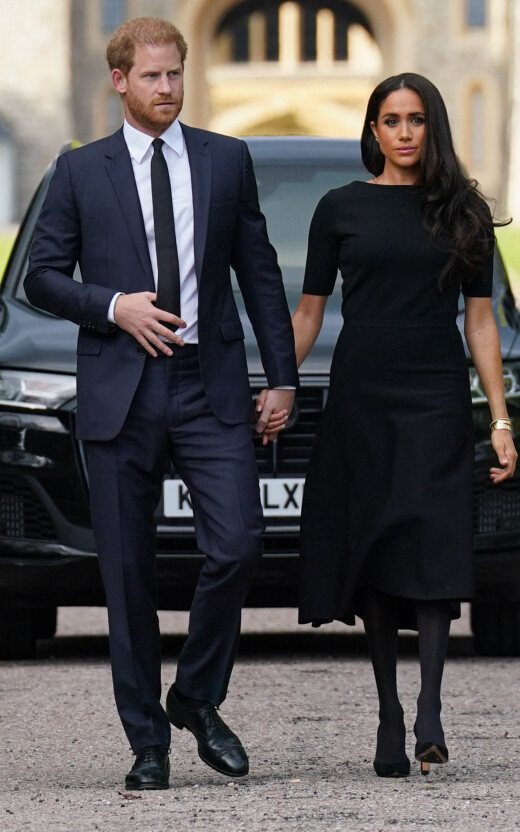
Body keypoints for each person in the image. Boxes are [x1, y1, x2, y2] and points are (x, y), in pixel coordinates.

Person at [25, 17, 297, 790]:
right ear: (120, 81)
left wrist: (278, 375)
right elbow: (43, 276)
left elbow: (260, 272)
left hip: (208, 386)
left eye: (175, 74)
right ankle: (148, 743)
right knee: (129, 579)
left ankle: (195, 697)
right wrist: (115, 306)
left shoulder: (226, 159)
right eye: (151, 76)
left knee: (240, 542)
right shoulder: (82, 172)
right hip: (120, 389)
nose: (168, 88)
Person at [289, 73, 517, 778]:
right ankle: (389, 710)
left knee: (433, 538)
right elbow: (309, 312)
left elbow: (480, 322)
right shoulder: (339, 209)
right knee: (379, 549)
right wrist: (275, 384)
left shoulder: (464, 213)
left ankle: (431, 707)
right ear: (373, 131)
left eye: (416, 119)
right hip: (363, 395)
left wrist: (500, 418)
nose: (405, 132)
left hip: (435, 395)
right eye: (391, 120)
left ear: (433, 127)